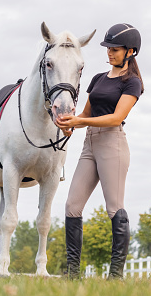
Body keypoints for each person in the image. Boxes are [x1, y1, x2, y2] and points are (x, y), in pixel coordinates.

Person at [55, 23, 144, 279]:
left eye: (115, 49)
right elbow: (84, 115)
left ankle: (115, 276)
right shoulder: (98, 79)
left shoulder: (132, 83)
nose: (109, 53)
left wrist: (80, 122)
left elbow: (116, 117)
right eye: (108, 49)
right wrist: (67, 124)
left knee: (114, 207)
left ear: (130, 52)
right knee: (72, 205)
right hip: (90, 145)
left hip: (112, 145)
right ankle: (73, 273)